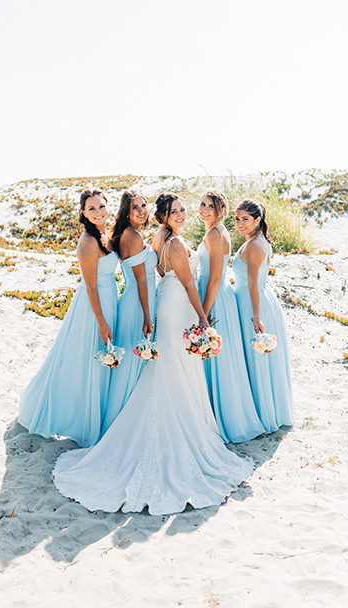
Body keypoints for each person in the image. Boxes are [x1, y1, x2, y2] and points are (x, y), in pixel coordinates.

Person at [52, 193, 253, 515]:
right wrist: (203, 318)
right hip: (178, 305)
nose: (183, 214)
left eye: (184, 210)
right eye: (175, 211)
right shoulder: (169, 241)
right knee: (174, 367)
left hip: (166, 303)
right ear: (164, 215)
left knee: (169, 367)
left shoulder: (159, 236)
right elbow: (187, 284)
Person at [18, 189, 118, 447]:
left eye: (101, 206)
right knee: (83, 360)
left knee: (99, 361)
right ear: (83, 213)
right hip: (93, 307)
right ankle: (78, 419)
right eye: (92, 208)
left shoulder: (105, 235)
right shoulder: (87, 242)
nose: (98, 212)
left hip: (109, 299)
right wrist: (102, 321)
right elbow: (91, 286)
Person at [197, 191, 264, 442]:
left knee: (217, 359)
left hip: (214, 296)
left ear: (220, 211)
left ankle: (221, 419)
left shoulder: (215, 234)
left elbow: (214, 276)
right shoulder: (216, 232)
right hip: (217, 294)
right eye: (202, 204)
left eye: (210, 206)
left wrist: (204, 313)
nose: (204, 209)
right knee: (218, 359)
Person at [232, 198, 294, 433]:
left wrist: (256, 316)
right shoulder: (254, 241)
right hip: (254, 301)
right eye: (237, 219)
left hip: (254, 304)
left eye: (245, 219)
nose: (240, 223)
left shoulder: (255, 244)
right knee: (257, 360)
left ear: (257, 220)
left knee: (258, 359)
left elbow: (253, 283)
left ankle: (264, 413)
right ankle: (264, 409)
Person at [100, 190, 157, 433]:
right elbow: (141, 281)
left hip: (134, 300)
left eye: (144, 205)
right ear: (126, 211)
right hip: (137, 303)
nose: (142, 210)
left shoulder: (128, 233)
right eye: (136, 207)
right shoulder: (132, 236)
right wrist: (146, 315)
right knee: (134, 362)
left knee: (133, 362)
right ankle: (122, 425)